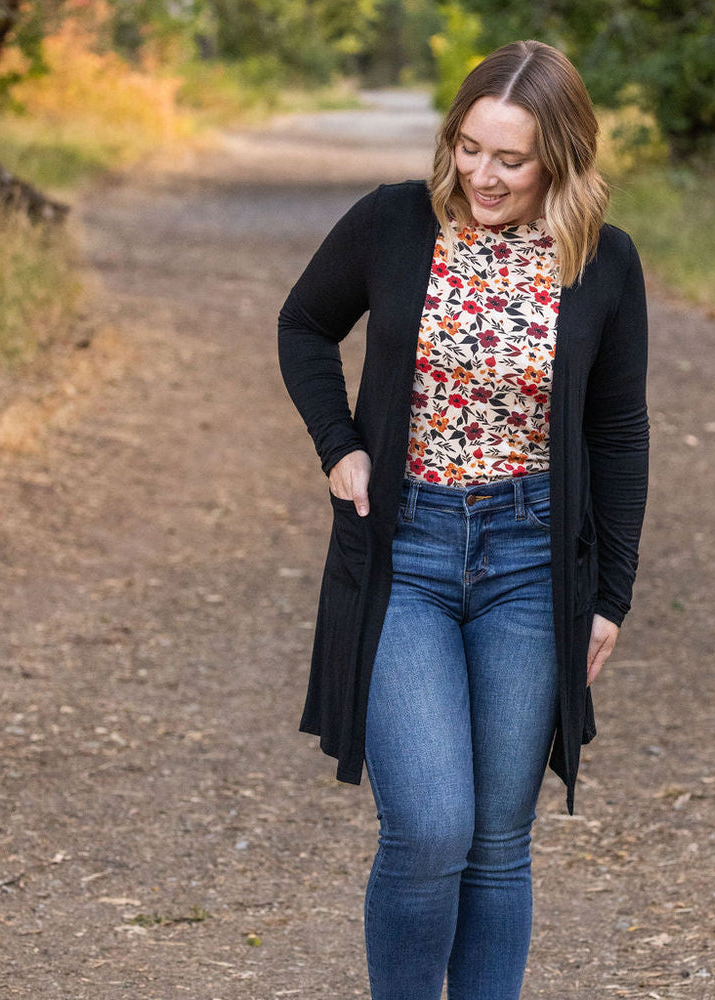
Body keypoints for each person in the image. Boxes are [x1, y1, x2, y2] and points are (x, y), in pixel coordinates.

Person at [278, 39, 648, 1000]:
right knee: (432, 825)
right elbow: (305, 325)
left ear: (559, 160)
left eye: (511, 159)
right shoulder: (395, 222)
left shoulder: (603, 263)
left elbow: (618, 433)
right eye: (469, 147)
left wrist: (611, 595)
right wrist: (339, 442)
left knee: (496, 842)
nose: (482, 175)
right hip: (408, 551)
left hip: (533, 563)